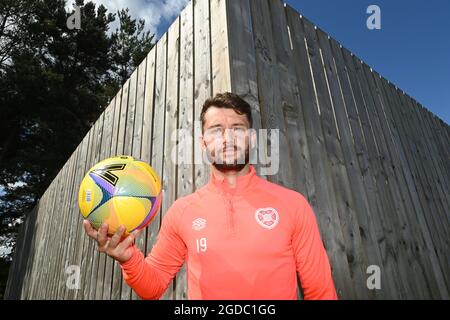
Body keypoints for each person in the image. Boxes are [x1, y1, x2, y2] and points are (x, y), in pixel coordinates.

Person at [84, 92, 338, 300]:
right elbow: (153, 286)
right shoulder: (183, 211)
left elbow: (321, 292)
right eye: (216, 130)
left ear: (251, 139)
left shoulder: (293, 204)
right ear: (203, 142)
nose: (227, 138)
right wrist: (129, 260)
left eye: (237, 129)